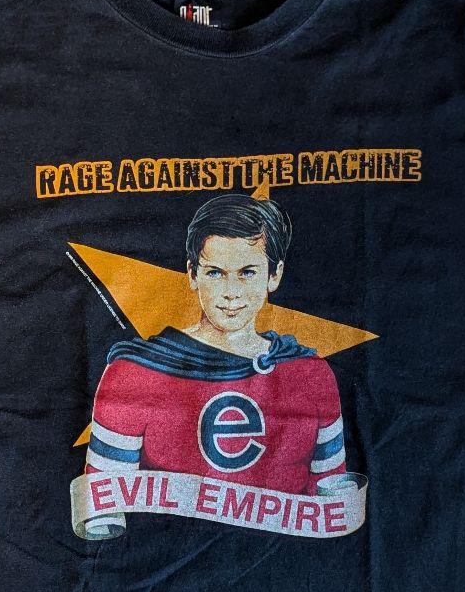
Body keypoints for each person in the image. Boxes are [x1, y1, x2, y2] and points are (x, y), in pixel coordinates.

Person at [84, 193, 348, 509]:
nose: (231, 293)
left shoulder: (311, 377)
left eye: (247, 272)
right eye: (215, 273)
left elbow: (332, 509)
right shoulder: (134, 375)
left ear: (274, 275)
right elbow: (104, 514)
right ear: (192, 274)